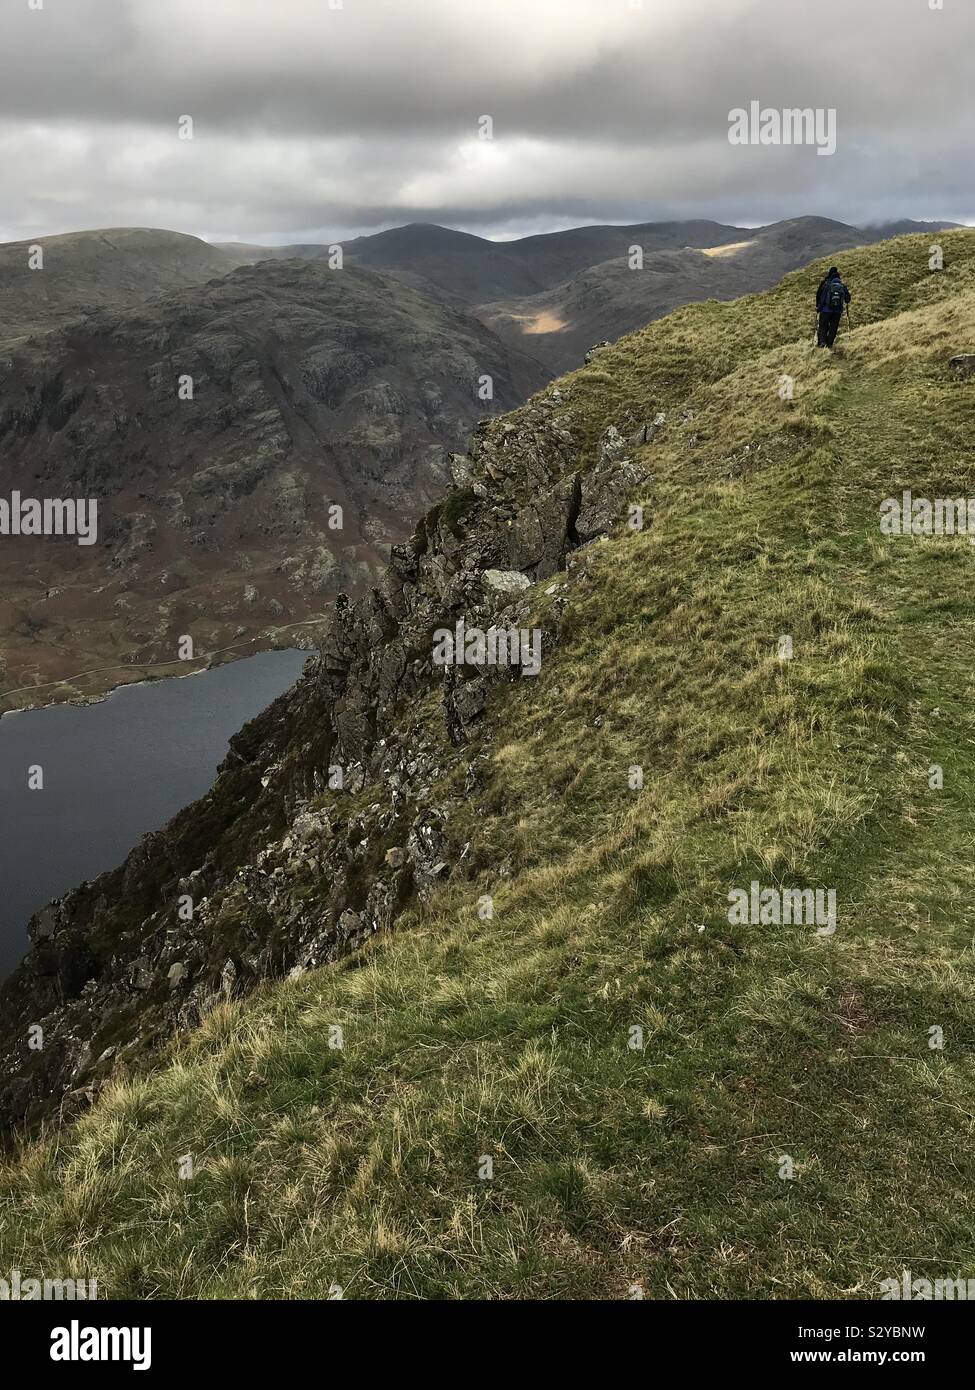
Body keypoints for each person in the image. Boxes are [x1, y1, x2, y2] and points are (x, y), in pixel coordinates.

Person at [816, 266, 851, 349]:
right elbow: (848, 299)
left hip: (826, 310)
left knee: (823, 326)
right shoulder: (842, 286)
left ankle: (823, 343)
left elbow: (823, 297)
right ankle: (830, 344)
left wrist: (819, 308)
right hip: (837, 312)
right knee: (833, 328)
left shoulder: (827, 284)